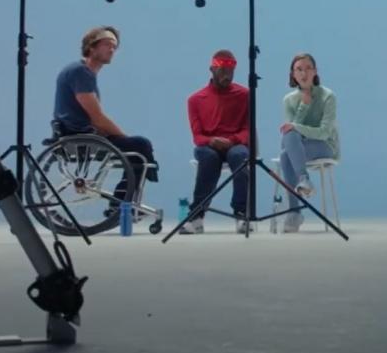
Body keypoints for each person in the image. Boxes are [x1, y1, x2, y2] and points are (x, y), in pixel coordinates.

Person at [51, 26, 158, 205]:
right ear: (91, 47)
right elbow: (97, 118)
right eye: (107, 44)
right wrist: (124, 137)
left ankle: (121, 203)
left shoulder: (82, 73)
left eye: (114, 47)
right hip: (79, 137)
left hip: (81, 134)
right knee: (140, 145)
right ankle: (122, 204)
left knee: (139, 149)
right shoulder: (81, 72)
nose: (112, 50)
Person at [182, 49, 253, 234]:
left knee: (241, 157)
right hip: (209, 145)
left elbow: (248, 130)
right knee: (208, 158)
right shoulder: (195, 100)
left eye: (231, 70)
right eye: (222, 70)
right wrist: (212, 140)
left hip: (235, 144)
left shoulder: (244, 95)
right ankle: (197, 214)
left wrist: (232, 140)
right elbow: (197, 136)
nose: (227, 74)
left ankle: (241, 213)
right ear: (212, 69)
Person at [277, 53, 339, 233]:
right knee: (286, 148)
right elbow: (290, 134)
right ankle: (304, 181)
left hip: (324, 146)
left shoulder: (328, 96)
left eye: (308, 68)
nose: (304, 73)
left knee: (287, 149)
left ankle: (295, 211)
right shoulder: (288, 100)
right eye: (299, 69)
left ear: (315, 72)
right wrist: (303, 106)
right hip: (298, 148)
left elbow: (324, 132)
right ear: (293, 74)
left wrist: (296, 127)